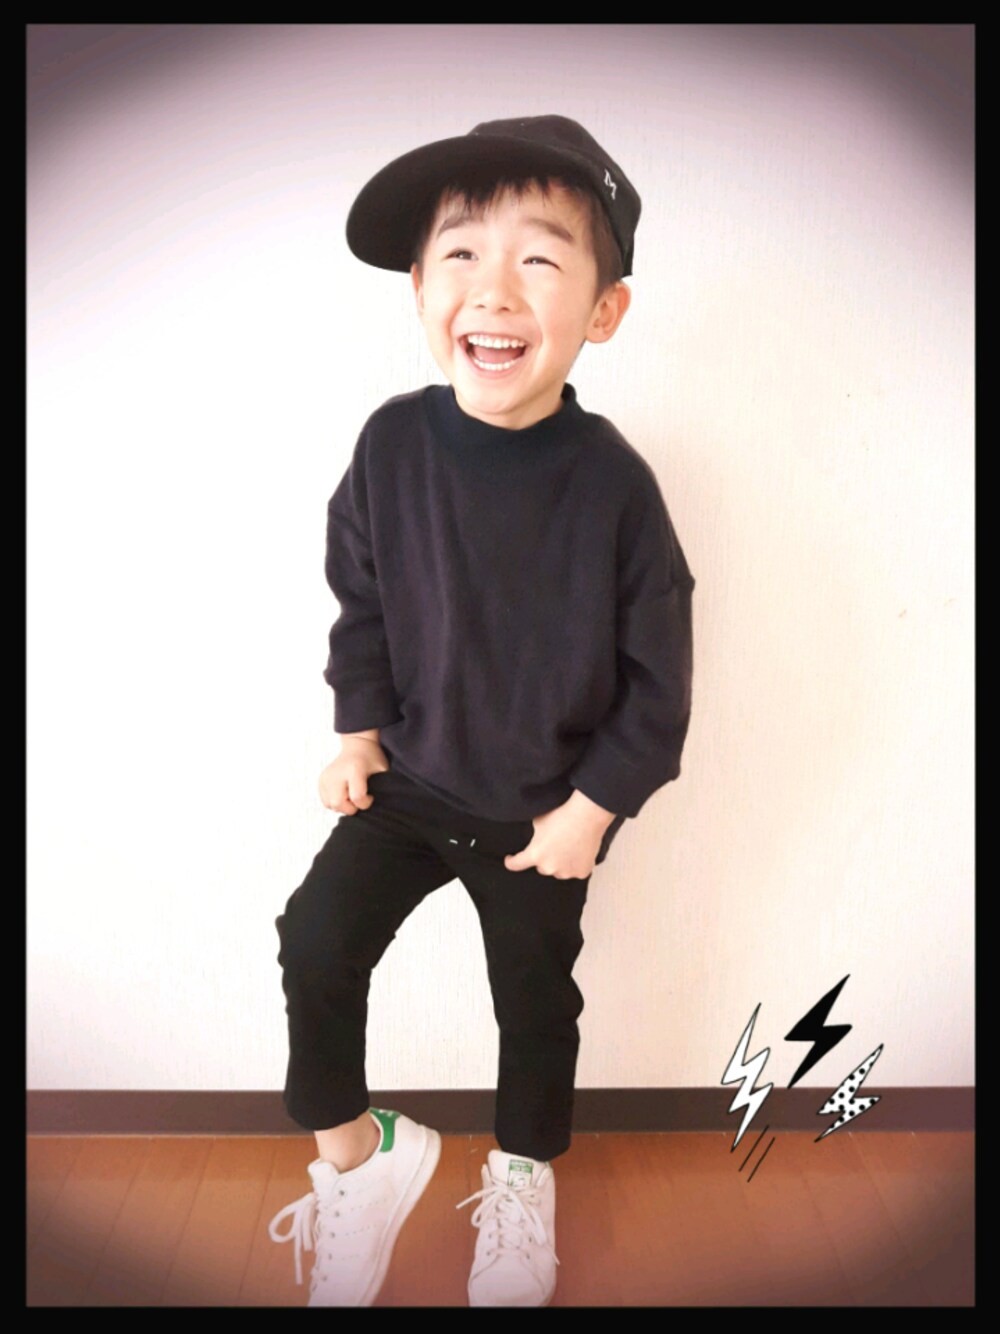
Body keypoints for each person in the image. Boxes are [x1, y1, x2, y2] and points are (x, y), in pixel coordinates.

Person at [268, 115, 695, 1308]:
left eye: (539, 259)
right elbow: (360, 596)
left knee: (533, 1001)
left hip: (539, 811)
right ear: (419, 287)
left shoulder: (614, 487)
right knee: (314, 941)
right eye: (460, 254)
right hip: (410, 783)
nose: (494, 289)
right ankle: (360, 1159)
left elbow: (660, 672)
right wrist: (358, 730)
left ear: (603, 309)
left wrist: (593, 809)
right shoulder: (390, 445)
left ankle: (521, 1177)